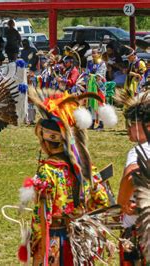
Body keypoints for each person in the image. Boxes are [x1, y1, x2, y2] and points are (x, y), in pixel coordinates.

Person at [20, 89, 111, 265]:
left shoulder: (47, 172)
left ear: (45, 142)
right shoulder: (86, 169)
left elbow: (42, 216)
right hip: (80, 242)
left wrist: (35, 242)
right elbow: (102, 200)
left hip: (55, 244)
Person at [117, 91, 150, 265]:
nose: (128, 128)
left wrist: (122, 201)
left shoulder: (142, 149)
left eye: (132, 123)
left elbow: (131, 174)